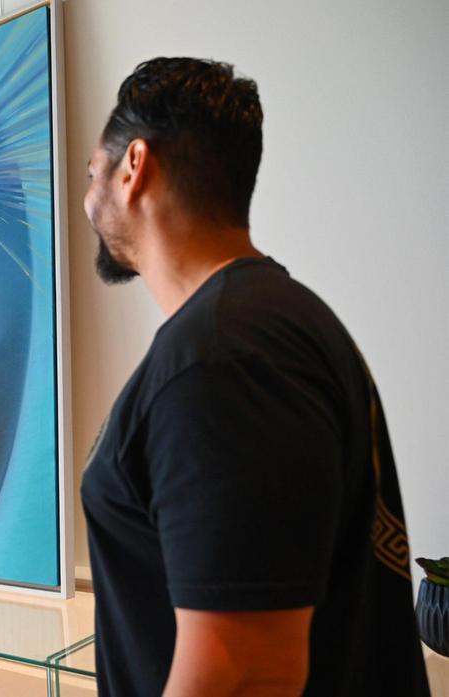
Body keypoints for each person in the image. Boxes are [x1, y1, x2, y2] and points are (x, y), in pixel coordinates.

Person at [80, 57, 430, 697]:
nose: (87, 198)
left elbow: (244, 676)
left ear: (133, 167)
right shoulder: (264, 327)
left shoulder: (225, 358)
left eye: (91, 172)